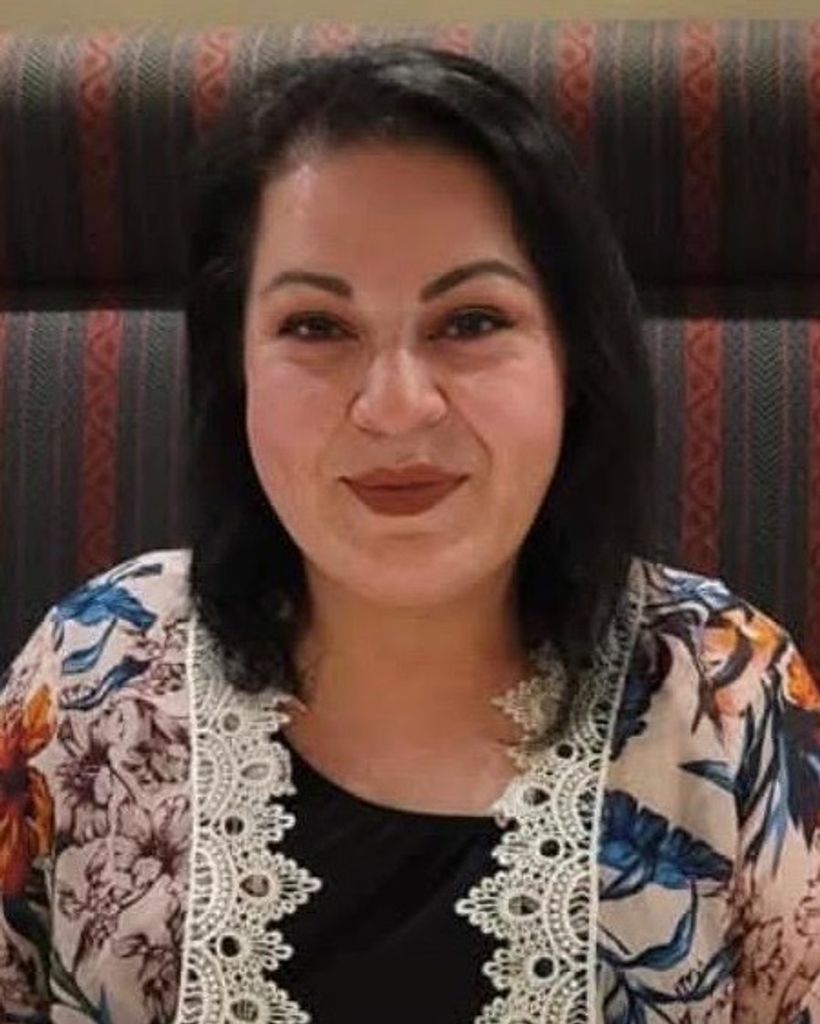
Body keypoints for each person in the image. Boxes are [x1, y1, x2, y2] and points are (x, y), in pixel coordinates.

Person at [0, 40, 817, 1024]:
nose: (394, 407)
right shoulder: (92, 671)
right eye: (316, 326)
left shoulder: (727, 695)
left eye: (470, 321)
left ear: (572, 359)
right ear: (236, 370)